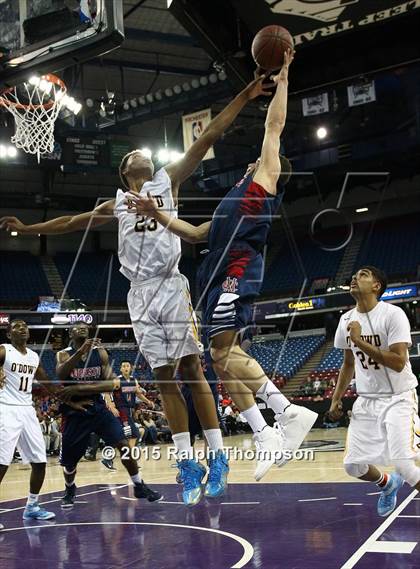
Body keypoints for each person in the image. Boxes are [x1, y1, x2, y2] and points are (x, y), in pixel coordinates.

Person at [0, 73, 272, 505]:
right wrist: (29, 226)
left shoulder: (169, 180)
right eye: (132, 156)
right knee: (164, 377)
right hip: (139, 293)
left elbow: (210, 134)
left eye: (143, 152)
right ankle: (187, 462)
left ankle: (219, 455)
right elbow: (70, 223)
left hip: (169, 284)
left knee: (192, 370)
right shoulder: (116, 204)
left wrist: (245, 94)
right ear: (126, 172)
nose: (140, 155)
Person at [129, 49, 317, 481]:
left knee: (222, 352)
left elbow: (275, 124)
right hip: (214, 272)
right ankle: (263, 433)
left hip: (237, 269)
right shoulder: (233, 196)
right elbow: (195, 235)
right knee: (220, 360)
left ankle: (286, 413)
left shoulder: (266, 175)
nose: (257, 159)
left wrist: (283, 76)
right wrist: (156, 214)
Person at [329, 266, 420, 516]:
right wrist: (336, 399)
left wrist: (359, 341)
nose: (354, 278)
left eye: (363, 274)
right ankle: (388, 484)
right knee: (353, 466)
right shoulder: (345, 319)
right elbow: (348, 364)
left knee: (405, 465)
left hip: (399, 397)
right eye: (354, 275)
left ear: (377, 285)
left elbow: (399, 362)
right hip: (367, 400)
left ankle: (398, 477)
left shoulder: (393, 314)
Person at [56, 323, 162, 508]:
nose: (82, 328)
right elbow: (61, 374)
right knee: (70, 462)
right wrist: (80, 352)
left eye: (85, 326)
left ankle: (138, 484)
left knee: (124, 444)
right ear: (70, 333)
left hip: (97, 408)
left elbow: (113, 384)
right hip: (75, 411)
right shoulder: (63, 354)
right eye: (77, 327)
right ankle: (70, 488)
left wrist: (78, 387)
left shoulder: (100, 353)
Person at [0, 319, 89, 528]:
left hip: (27, 410)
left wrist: (71, 402)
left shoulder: (32, 356)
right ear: (8, 335)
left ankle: (31, 506)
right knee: (2, 462)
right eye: (16, 327)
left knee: (40, 462)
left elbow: (49, 384)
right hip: (6, 408)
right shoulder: (4, 350)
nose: (22, 329)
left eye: (25, 326)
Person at [102, 360, 154, 470]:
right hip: (121, 411)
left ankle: (110, 458)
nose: (125, 367)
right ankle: (128, 459)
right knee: (134, 434)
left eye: (127, 366)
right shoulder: (117, 380)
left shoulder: (133, 380)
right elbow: (106, 392)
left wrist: (148, 402)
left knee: (120, 435)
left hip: (129, 410)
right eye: (123, 366)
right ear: (120, 369)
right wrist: (112, 407)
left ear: (130, 368)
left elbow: (138, 394)